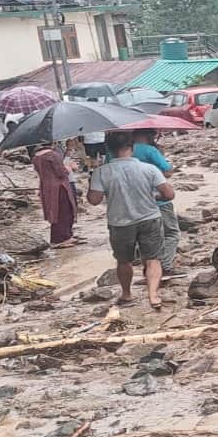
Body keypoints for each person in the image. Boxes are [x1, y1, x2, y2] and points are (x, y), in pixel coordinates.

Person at [88, 131, 174, 309]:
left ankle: (127, 294)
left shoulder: (101, 172)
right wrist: (153, 196)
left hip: (120, 222)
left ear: (109, 149)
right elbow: (169, 194)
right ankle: (153, 295)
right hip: (149, 218)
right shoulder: (149, 169)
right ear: (132, 147)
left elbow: (94, 200)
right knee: (153, 259)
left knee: (123, 261)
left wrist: (95, 183)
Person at [130, 129, 181, 276]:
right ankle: (164, 266)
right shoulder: (149, 150)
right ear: (149, 135)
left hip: (132, 202)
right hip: (158, 200)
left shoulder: (117, 153)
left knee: (145, 236)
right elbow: (167, 171)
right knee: (171, 233)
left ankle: (148, 267)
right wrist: (161, 156)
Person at [31, 142, 79, 248]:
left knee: (55, 211)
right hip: (59, 187)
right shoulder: (52, 155)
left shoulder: (36, 157)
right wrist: (70, 167)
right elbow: (61, 173)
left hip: (46, 186)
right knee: (64, 211)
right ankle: (61, 238)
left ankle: (64, 236)